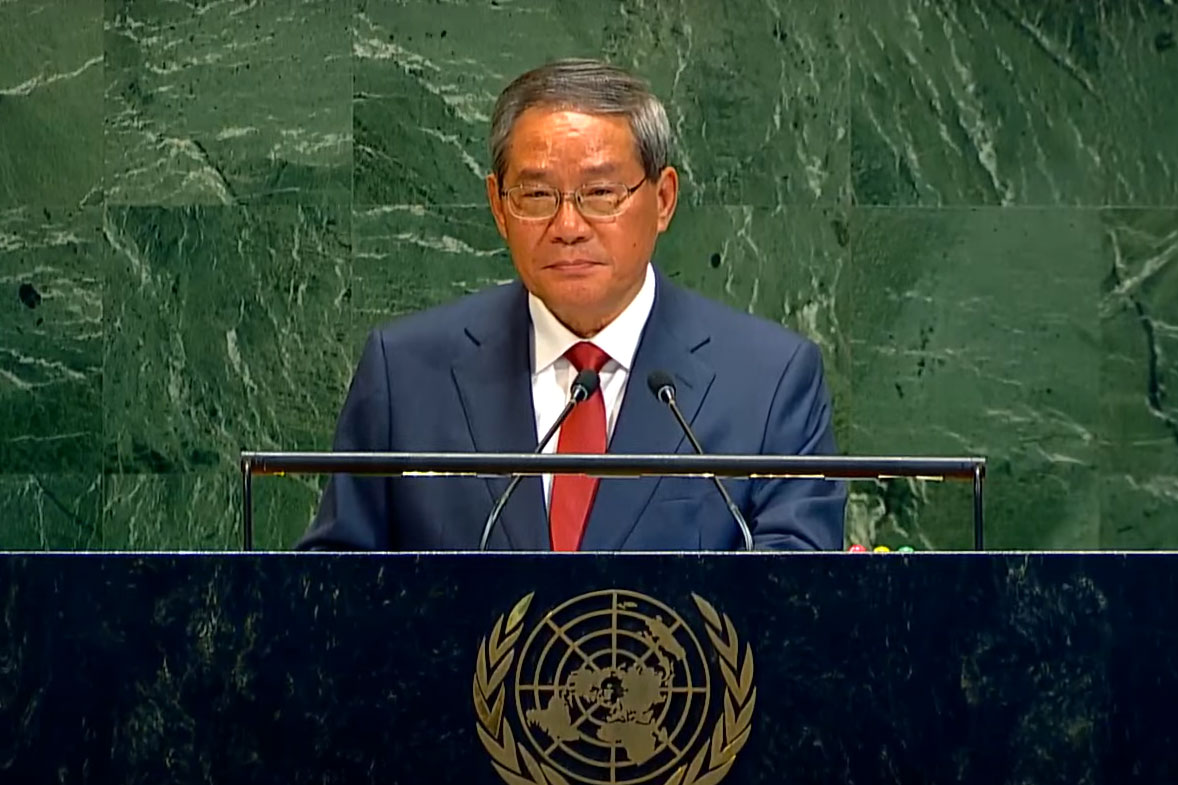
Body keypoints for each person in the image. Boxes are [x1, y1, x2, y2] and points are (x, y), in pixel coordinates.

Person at [297, 59, 845, 551]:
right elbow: (331, 590)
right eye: (536, 195)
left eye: (601, 193)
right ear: (498, 207)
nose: (568, 227)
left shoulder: (769, 381)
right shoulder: (407, 373)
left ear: (663, 200)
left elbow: (796, 598)